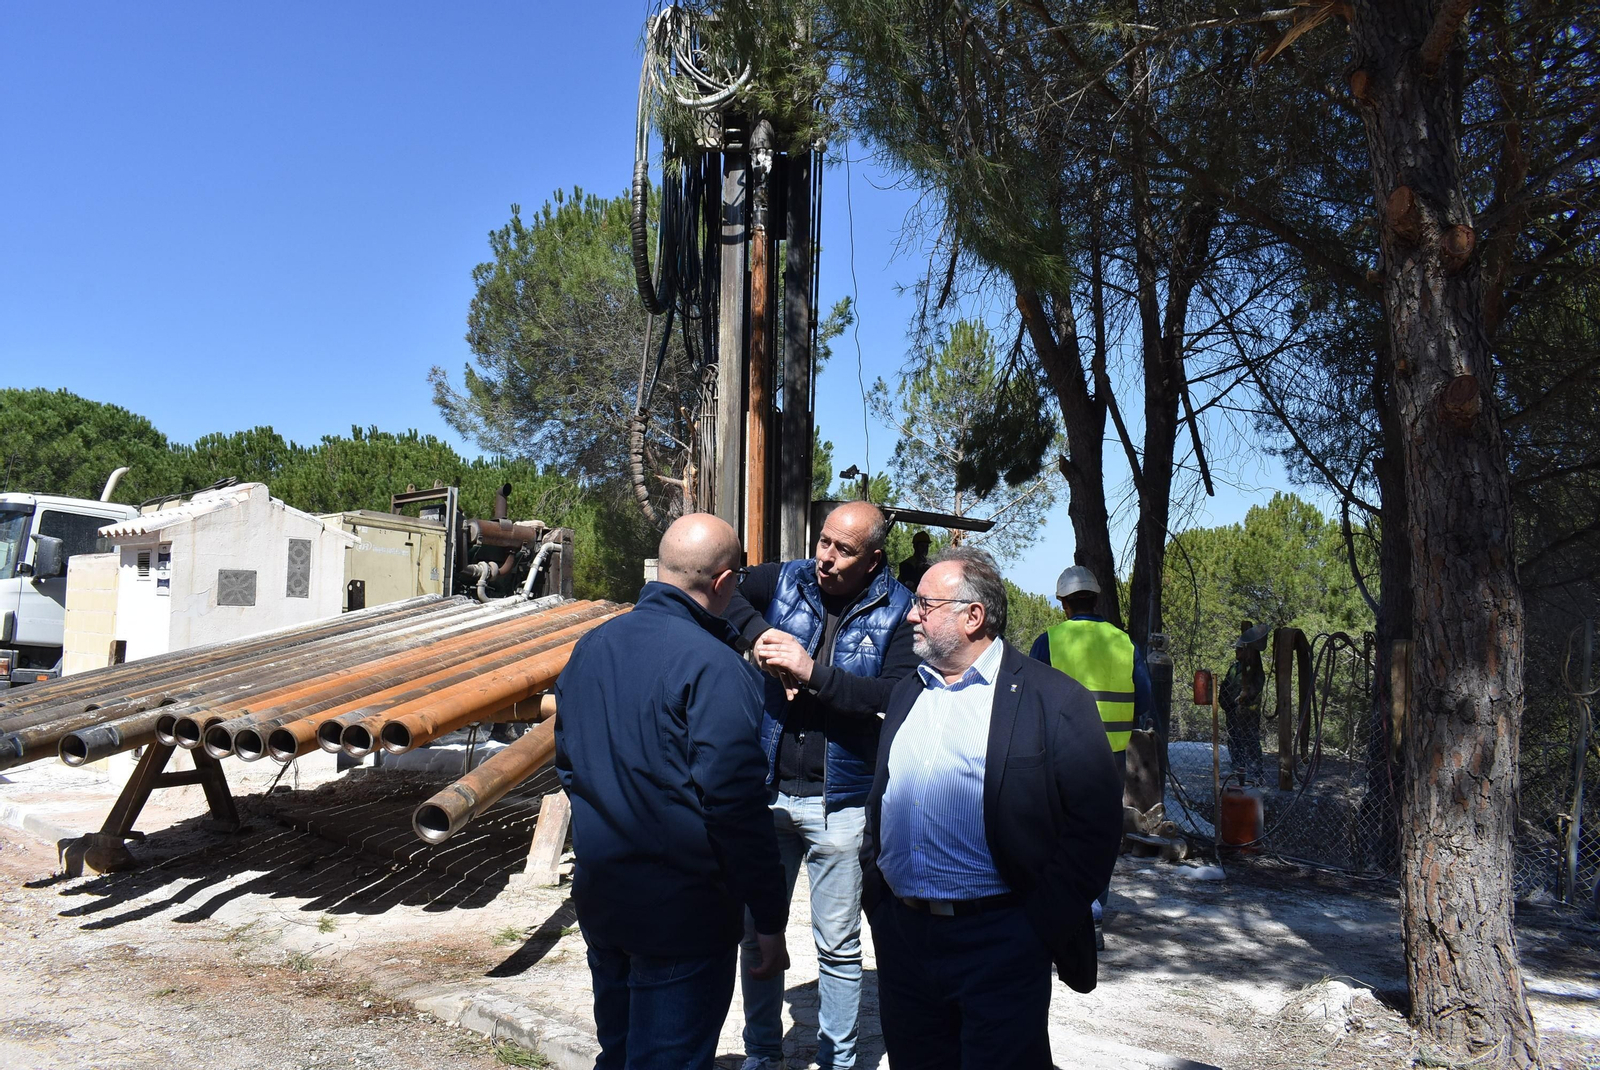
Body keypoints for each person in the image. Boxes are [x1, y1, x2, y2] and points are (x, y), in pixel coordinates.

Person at [862, 546, 1123, 1069]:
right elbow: (881, 797)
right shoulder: (908, 694)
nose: (910, 614)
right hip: (905, 943)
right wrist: (878, 897)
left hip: (999, 943)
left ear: (972, 616)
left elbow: (1094, 827)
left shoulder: (1054, 699)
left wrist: (1034, 928)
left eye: (924, 604)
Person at [553, 513, 790, 1070]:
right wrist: (771, 920)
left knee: (618, 1052)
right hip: (682, 918)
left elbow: (569, 767)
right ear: (726, 582)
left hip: (603, 899)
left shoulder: (591, 648)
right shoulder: (717, 668)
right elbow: (736, 806)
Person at [725, 499, 917, 1070]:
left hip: (843, 803)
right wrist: (762, 637)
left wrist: (813, 674)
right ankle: (763, 1054)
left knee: (838, 949)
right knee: (758, 936)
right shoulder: (786, 578)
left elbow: (893, 696)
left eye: (844, 549)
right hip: (768, 794)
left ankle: (838, 1060)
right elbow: (725, 588)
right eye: (824, 542)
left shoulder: (900, 610)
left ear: (875, 559)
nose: (826, 559)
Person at [1029, 564, 1154, 947]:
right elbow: (1145, 700)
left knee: (1054, 835)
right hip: (1110, 758)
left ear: (1063, 603)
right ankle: (1093, 918)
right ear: (1097, 600)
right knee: (1099, 837)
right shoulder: (1124, 642)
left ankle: (1056, 918)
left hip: (1058, 755)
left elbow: (1029, 699)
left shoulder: (1050, 641)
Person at [1220, 621, 1267, 780]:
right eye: (1236, 649)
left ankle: (1255, 772)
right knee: (1234, 740)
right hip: (1232, 712)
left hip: (1248, 713)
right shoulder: (1234, 668)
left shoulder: (1254, 669)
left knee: (1250, 741)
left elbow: (1255, 688)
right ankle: (1237, 768)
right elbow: (1226, 686)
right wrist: (1225, 703)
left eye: (1239, 649)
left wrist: (1244, 698)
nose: (1236, 652)